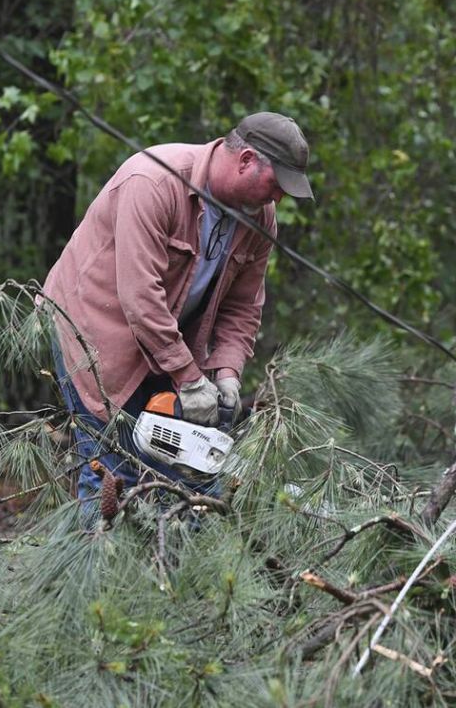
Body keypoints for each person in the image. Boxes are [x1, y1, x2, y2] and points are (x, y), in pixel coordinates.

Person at [44, 112, 312, 501]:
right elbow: (140, 296)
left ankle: (169, 555)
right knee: (114, 470)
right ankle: (99, 555)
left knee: (188, 472)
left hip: (166, 342)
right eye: (277, 184)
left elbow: (243, 308)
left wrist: (227, 374)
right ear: (246, 160)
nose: (279, 197)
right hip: (93, 330)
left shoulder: (261, 220)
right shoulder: (153, 181)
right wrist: (188, 378)